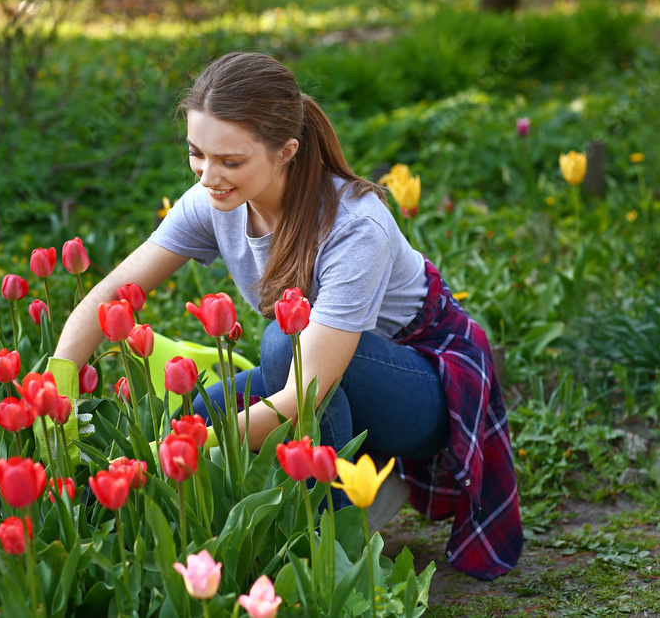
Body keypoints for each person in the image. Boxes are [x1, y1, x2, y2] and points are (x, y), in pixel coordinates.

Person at [50, 51, 522, 580]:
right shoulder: (212, 199)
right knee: (197, 411)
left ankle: (334, 552)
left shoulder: (353, 225)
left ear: (286, 151)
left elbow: (304, 394)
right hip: (324, 370)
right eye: (196, 154)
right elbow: (112, 294)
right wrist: (57, 388)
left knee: (280, 346)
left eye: (231, 161)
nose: (209, 176)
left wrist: (191, 448)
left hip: (425, 391)